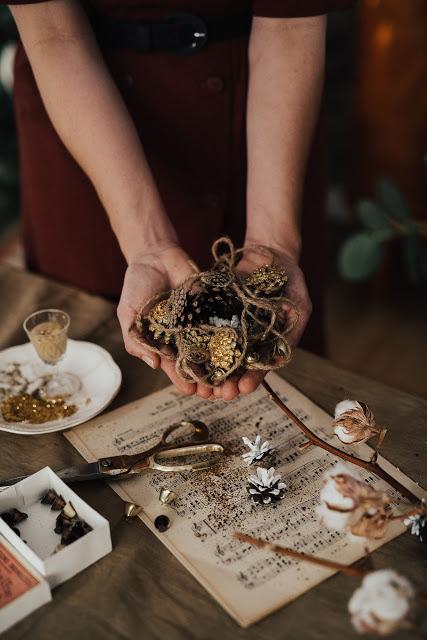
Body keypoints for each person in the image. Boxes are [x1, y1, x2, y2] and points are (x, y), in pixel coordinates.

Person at [5, 0, 354, 401]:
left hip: (264, 112)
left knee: (287, 373)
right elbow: (55, 33)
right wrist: (147, 246)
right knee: (89, 374)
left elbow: (289, 26)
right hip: (82, 111)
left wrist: (274, 242)